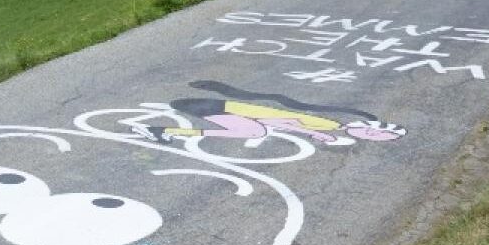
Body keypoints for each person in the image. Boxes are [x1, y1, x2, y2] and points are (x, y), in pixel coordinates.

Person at [150, 80, 407, 146]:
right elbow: (284, 120)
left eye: (373, 136)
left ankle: (166, 131)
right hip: (212, 106)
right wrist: (315, 135)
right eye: (371, 130)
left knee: (255, 130)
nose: (369, 133)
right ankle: (162, 130)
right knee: (255, 130)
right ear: (360, 125)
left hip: (218, 108)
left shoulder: (329, 126)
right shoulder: (325, 125)